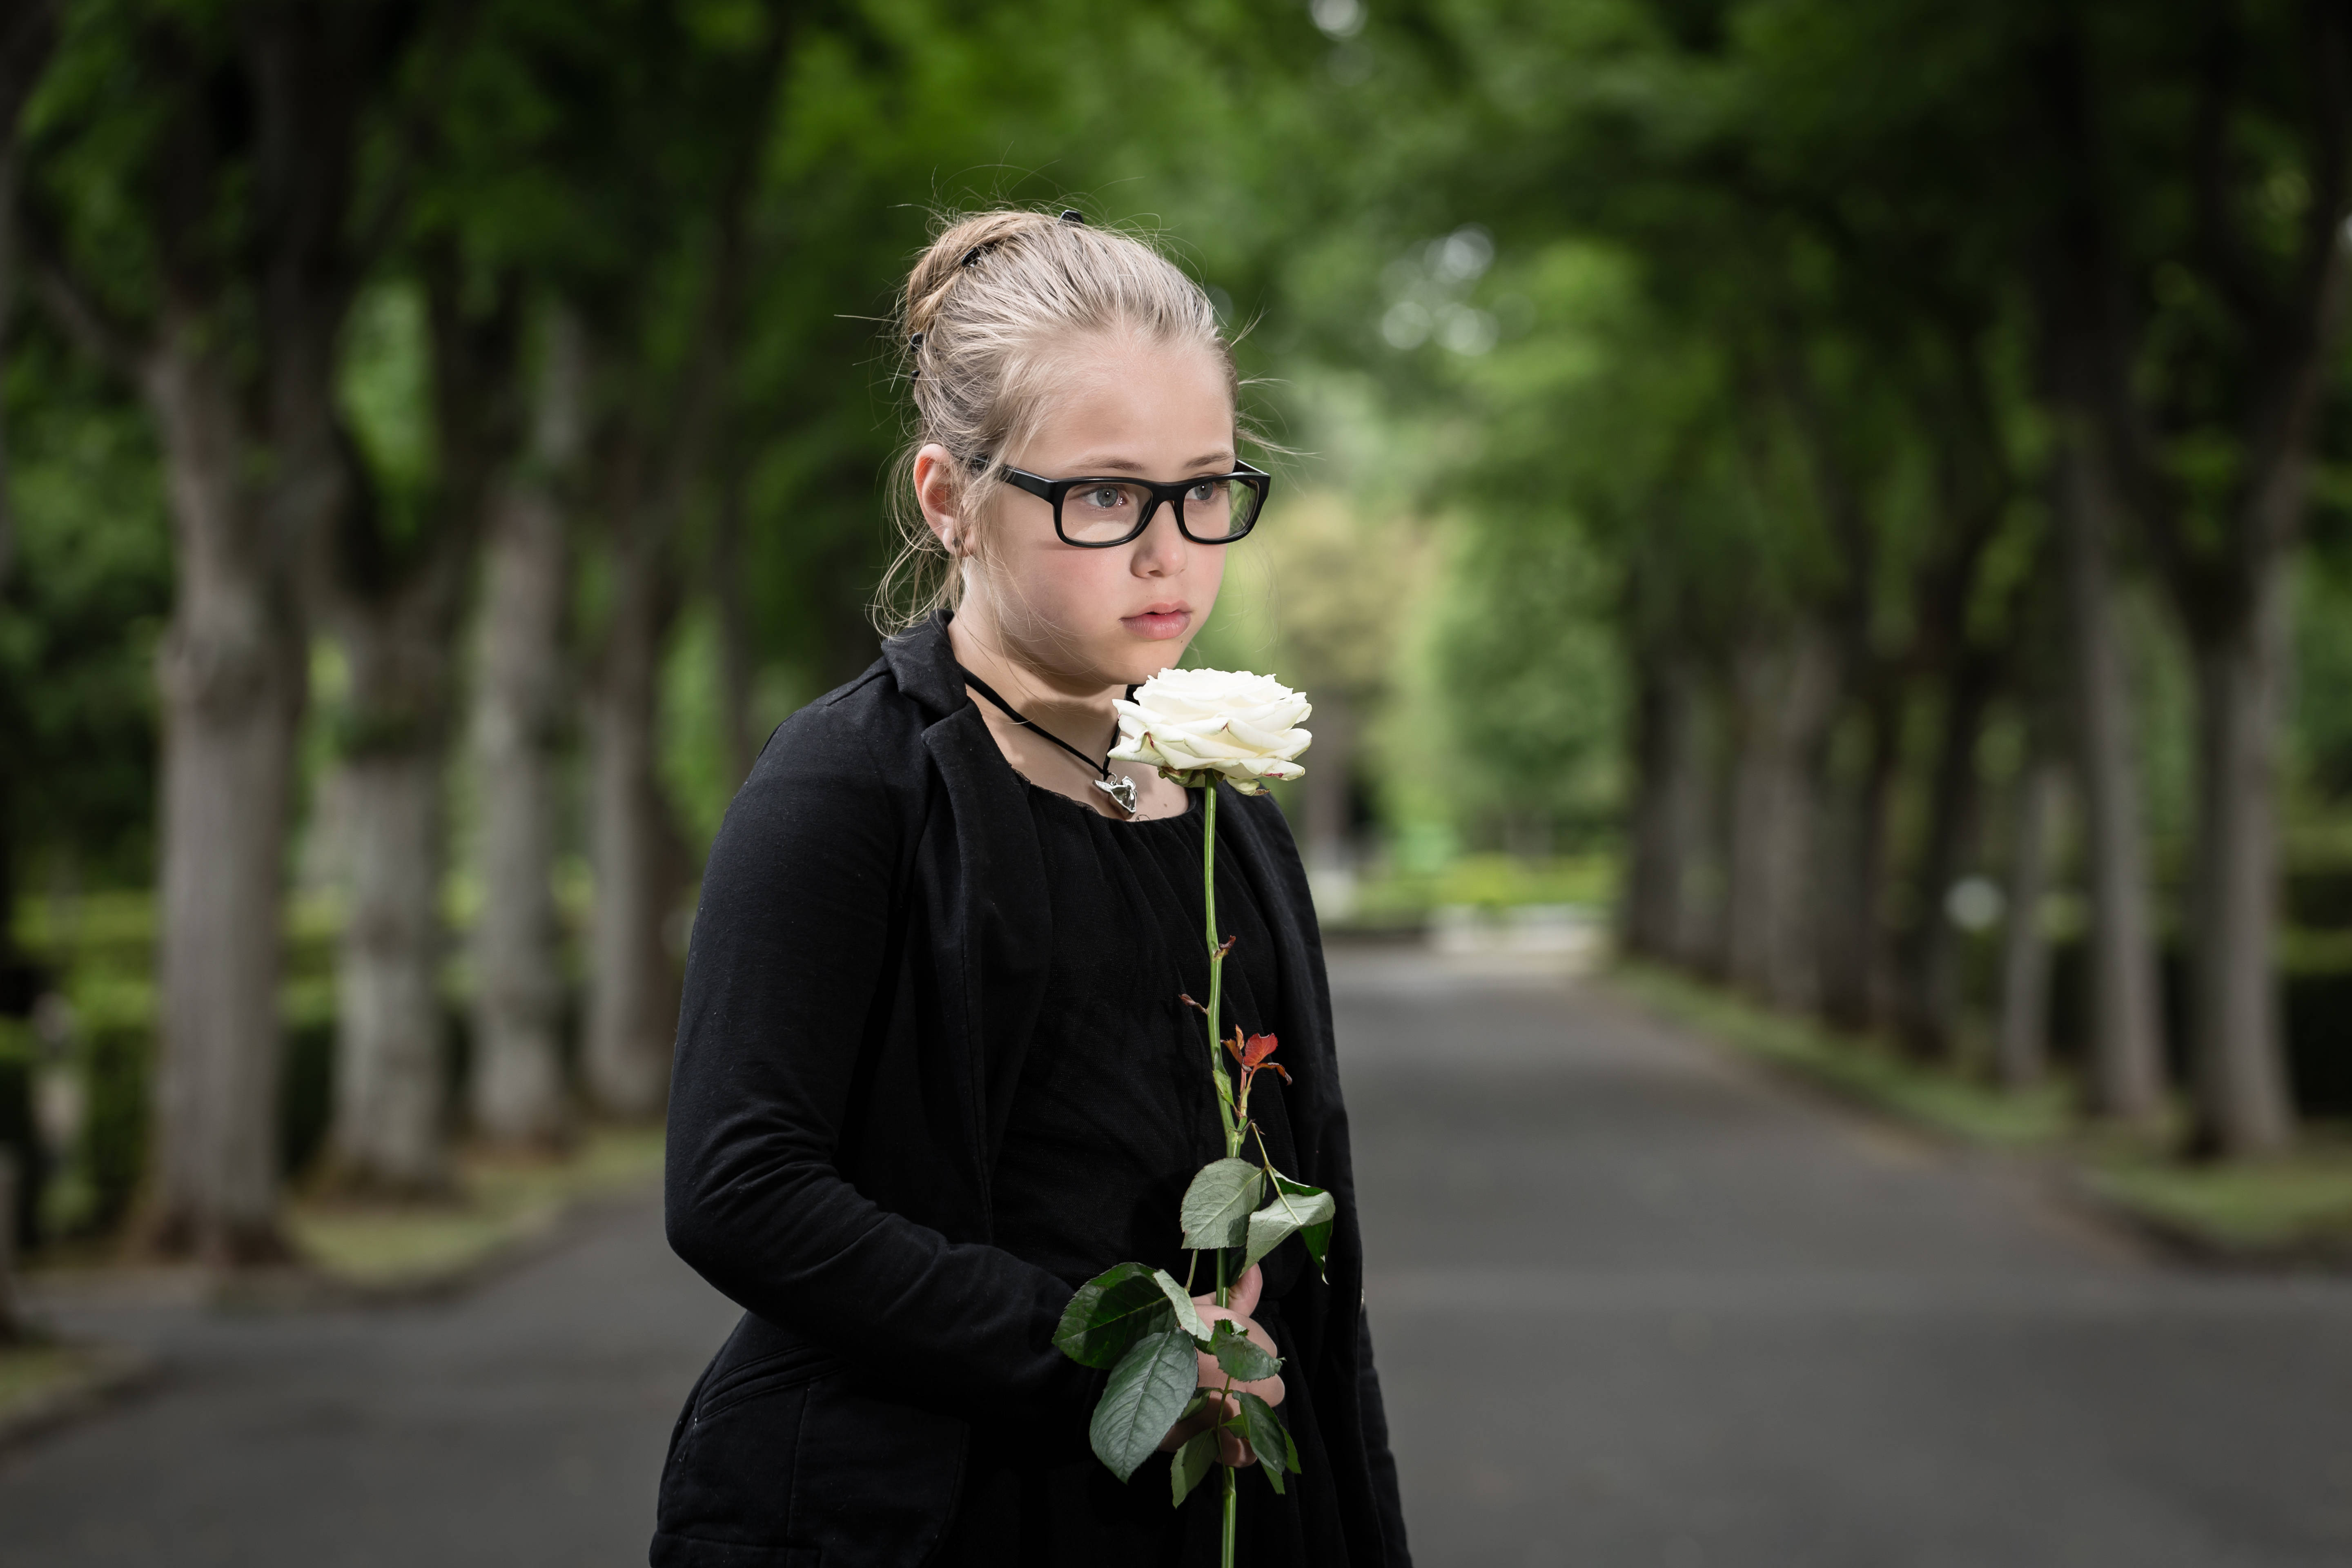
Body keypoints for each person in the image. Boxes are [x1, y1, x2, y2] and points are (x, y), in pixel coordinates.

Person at [653, 207, 1411, 1568]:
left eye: (1208, 488)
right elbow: (739, 1187)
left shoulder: (1225, 806)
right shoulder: (849, 786)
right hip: (911, 1514)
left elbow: (1310, 1272)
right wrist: (1122, 1365)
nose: (1172, 551)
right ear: (951, 499)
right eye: (1106, 496)